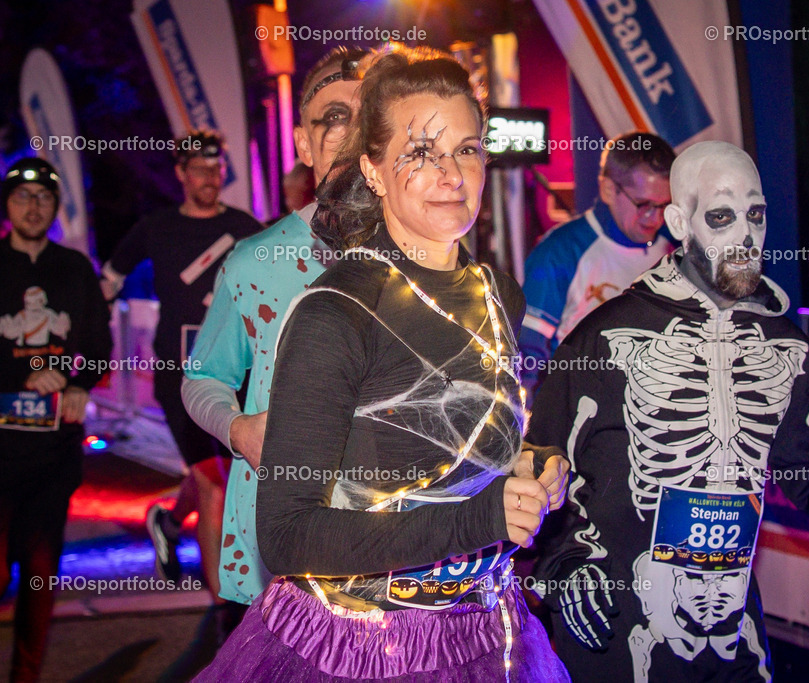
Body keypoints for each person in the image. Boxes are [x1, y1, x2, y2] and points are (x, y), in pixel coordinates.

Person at [196, 46, 570, 681]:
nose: (452, 175)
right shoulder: (336, 312)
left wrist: (531, 463)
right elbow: (287, 536)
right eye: (421, 153)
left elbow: (469, 441)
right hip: (360, 647)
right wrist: (480, 519)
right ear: (372, 169)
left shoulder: (496, 291)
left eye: (468, 149)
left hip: (489, 632)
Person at [528, 141, 809, 682]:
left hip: (732, 631)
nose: (745, 236)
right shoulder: (603, 340)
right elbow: (539, 471)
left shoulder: (781, 346)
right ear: (680, 221)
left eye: (756, 215)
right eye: (721, 216)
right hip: (616, 633)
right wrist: (565, 569)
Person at [181, 46, 369, 605]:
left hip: (399, 538)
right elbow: (203, 378)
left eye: (368, 116)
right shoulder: (253, 262)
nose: (352, 132)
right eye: (333, 118)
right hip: (285, 540)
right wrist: (239, 430)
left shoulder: (429, 256)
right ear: (302, 143)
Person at [100, 132, 262, 614]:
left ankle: (168, 522)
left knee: (226, 473)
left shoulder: (245, 226)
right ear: (180, 174)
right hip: (182, 374)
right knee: (215, 482)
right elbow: (108, 278)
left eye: (215, 169)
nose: (208, 178)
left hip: (237, 374)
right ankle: (225, 617)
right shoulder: (156, 227)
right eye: (198, 169)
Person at [0, 158, 112, 682]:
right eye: (23, 198)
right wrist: (20, 379)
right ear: (7, 205)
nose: (33, 206)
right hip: (0, 452)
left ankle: (26, 675)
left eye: (43, 198)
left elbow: (98, 344)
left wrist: (79, 383)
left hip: (53, 453)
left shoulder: (74, 269)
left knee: (40, 576)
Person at [519, 131, 676, 397]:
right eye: (643, 204)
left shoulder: (673, 249)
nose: (654, 217)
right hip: (578, 417)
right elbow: (527, 357)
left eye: (664, 205)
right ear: (608, 189)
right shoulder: (560, 253)